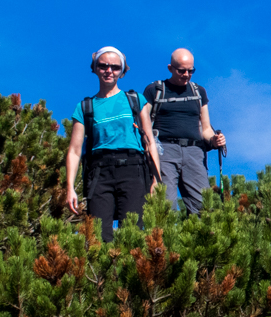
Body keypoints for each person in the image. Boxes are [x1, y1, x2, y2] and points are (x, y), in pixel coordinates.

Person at [66, 47, 162, 241]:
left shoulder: (135, 100)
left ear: (122, 71)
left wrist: (156, 180)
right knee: (99, 235)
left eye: (115, 67)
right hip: (100, 172)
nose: (109, 70)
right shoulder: (85, 107)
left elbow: (149, 142)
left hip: (134, 169)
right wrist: (70, 187)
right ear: (95, 68)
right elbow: (75, 151)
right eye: (103, 66)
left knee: (132, 233)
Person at [143, 48, 226, 215]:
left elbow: (206, 128)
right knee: (164, 206)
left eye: (191, 70)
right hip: (164, 151)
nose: (186, 74)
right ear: (170, 68)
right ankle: (165, 240)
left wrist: (214, 140)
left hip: (194, 152)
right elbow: (145, 125)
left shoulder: (199, 92)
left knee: (203, 208)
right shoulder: (155, 90)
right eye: (182, 70)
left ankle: (200, 240)